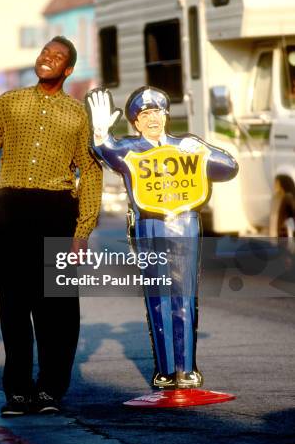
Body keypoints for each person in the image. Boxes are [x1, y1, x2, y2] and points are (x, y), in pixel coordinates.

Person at [0, 37, 102, 416]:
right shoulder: (10, 102)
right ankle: (17, 392)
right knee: (14, 306)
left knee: (58, 308)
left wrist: (82, 230)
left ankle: (50, 389)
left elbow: (92, 172)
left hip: (56, 211)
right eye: (45, 52)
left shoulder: (78, 114)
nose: (47, 58)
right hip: (11, 210)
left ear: (68, 70)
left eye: (57, 57)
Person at [86, 86, 238, 389]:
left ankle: (186, 368)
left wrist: (206, 152)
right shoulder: (131, 149)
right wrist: (102, 134)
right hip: (149, 226)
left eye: (157, 111)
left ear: (166, 114)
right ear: (136, 123)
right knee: (158, 298)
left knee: (184, 296)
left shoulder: (186, 145)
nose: (152, 118)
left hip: (184, 224)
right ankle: (167, 369)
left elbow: (229, 168)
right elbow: (108, 153)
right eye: (144, 114)